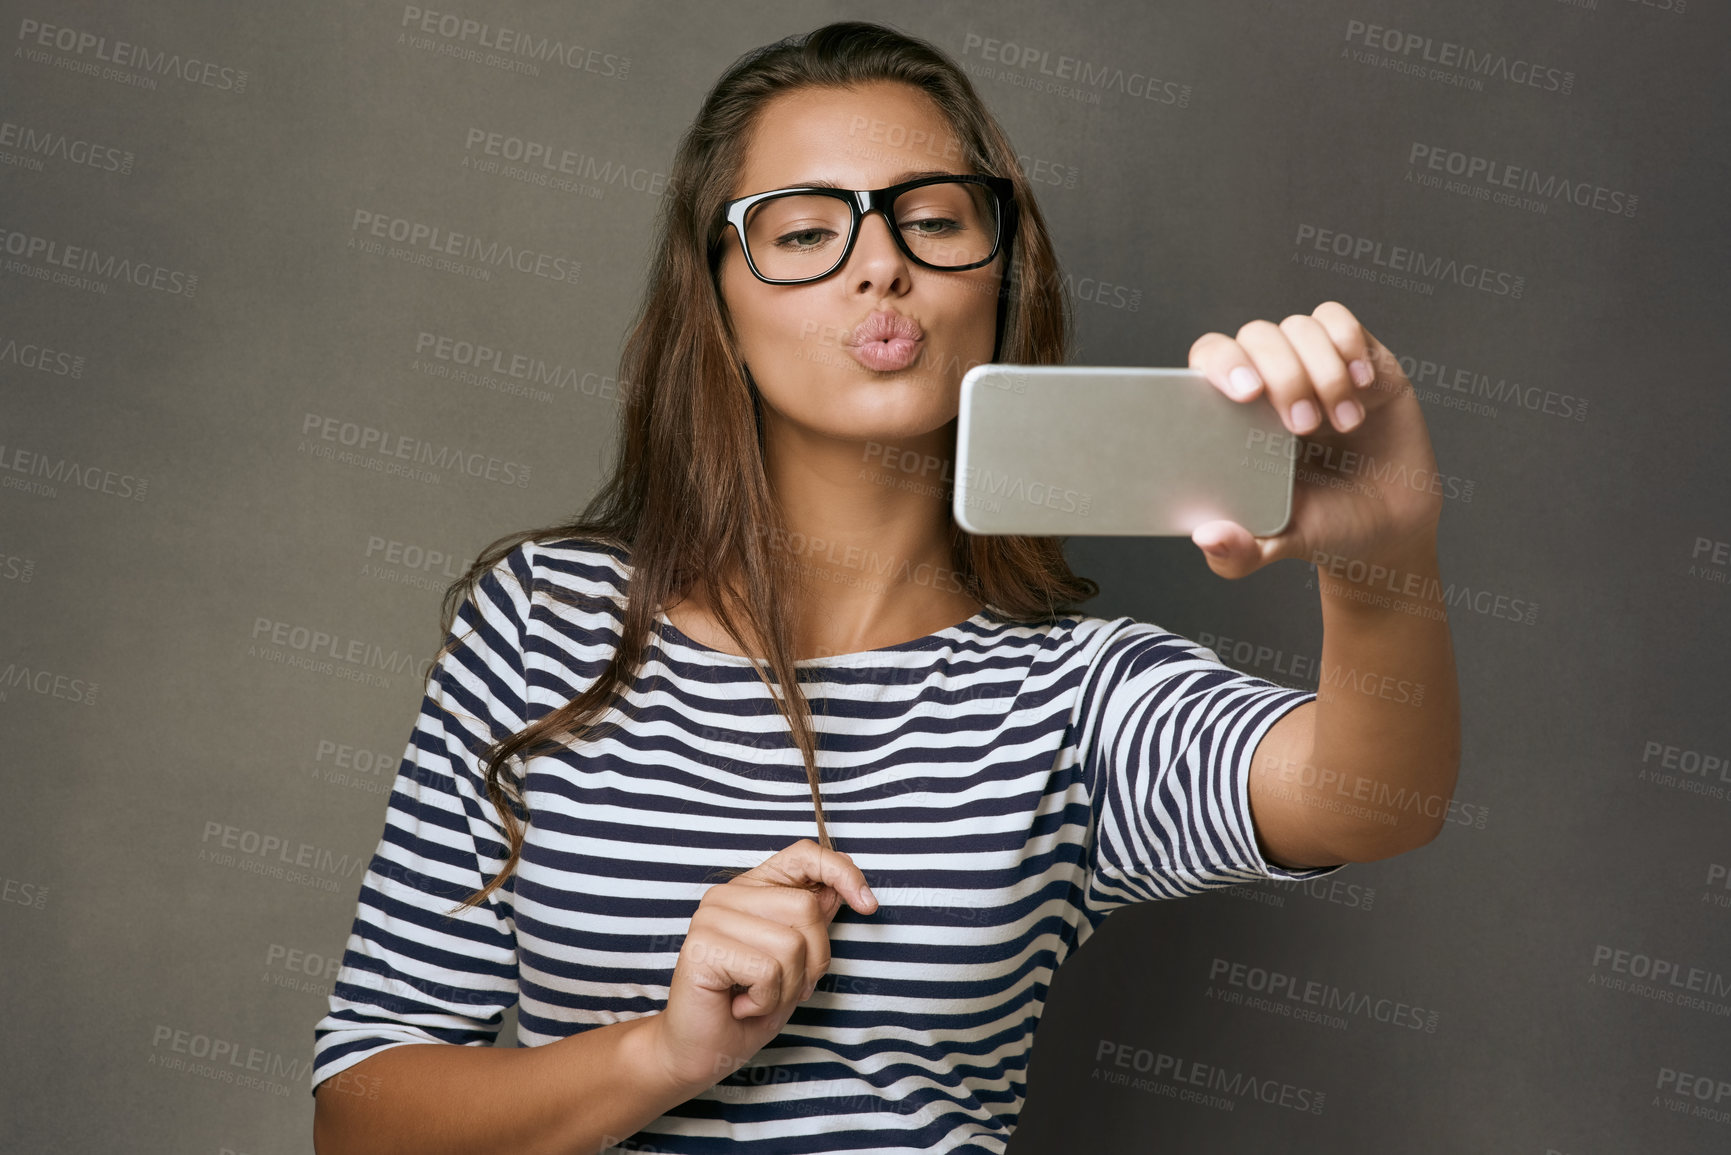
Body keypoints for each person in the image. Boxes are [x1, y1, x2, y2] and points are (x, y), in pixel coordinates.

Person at [310, 20, 1459, 1155]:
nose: (880, 264)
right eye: (805, 231)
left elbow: (1372, 802)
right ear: (715, 298)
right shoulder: (540, 623)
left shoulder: (1070, 694)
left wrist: (1382, 559)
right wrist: (667, 1052)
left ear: (1004, 279)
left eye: (934, 220)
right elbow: (360, 1120)